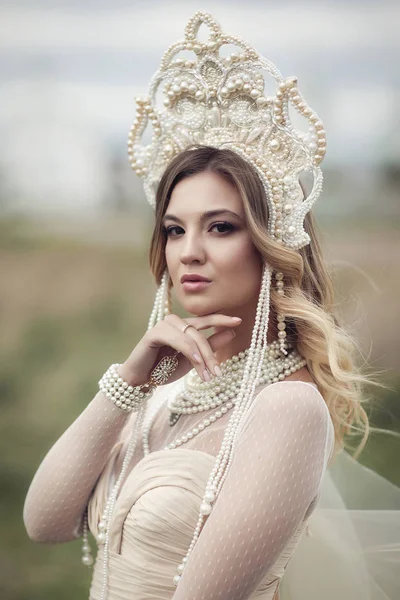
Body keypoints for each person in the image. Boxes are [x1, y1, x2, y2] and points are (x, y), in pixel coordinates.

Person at [23, 11, 400, 600]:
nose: (188, 252)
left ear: (270, 245)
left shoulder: (288, 410)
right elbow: (44, 522)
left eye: (220, 227)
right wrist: (131, 377)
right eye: (174, 230)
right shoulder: (167, 396)